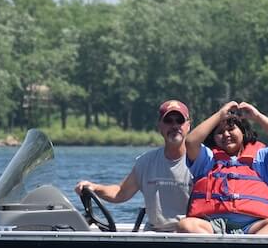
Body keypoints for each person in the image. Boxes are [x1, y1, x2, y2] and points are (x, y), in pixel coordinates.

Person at [73, 99, 194, 231]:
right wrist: (94, 188)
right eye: (168, 121)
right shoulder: (146, 162)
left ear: (188, 125)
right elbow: (120, 192)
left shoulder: (202, 161)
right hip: (153, 235)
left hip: (187, 236)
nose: (174, 126)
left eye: (179, 120)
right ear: (160, 125)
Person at [177, 101, 268, 235]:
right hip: (212, 226)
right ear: (213, 138)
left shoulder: (261, 159)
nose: (226, 134)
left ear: (243, 132)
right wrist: (220, 115)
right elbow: (191, 141)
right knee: (185, 224)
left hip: (252, 227)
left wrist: (257, 117)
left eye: (231, 129)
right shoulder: (207, 158)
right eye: (220, 132)